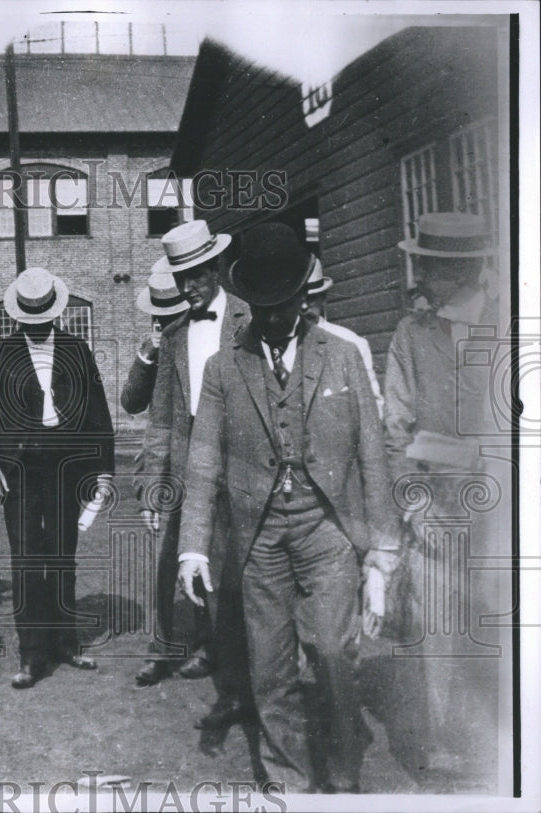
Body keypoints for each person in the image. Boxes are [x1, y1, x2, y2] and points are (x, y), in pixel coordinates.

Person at [177, 222, 401, 793]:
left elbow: (373, 458)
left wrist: (381, 557)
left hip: (326, 530)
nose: (274, 318)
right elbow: (203, 462)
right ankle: (289, 786)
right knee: (270, 671)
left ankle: (343, 777)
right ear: (248, 300)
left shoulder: (345, 357)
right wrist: (193, 548)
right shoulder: (223, 368)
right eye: (262, 306)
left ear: (304, 296)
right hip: (258, 540)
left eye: (285, 304)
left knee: (330, 652)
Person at [384, 211, 503, 770]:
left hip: (505, 514)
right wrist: (414, 501)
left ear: (459, 272)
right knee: (435, 630)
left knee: (496, 627)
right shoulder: (412, 333)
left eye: (427, 269)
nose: (419, 280)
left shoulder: (512, 325)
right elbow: (396, 428)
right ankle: (439, 748)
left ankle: (496, 749)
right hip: (435, 511)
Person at [0, 267, 114, 689]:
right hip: (21, 471)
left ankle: (65, 642)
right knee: (29, 560)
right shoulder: (1, 354)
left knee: (63, 557)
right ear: (19, 316)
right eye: (28, 321)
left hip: (67, 468)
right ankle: (32, 654)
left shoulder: (77, 350)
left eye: (42, 320)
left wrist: (103, 470)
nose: (36, 327)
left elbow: (98, 413)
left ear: (55, 313)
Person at [138, 220, 253, 733]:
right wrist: (153, 484)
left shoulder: (251, 319)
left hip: (246, 467)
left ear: (215, 268)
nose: (187, 287)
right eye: (180, 278)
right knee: (184, 567)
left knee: (239, 578)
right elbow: (160, 415)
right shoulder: (174, 333)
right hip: (190, 470)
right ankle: (211, 655)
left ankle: (236, 686)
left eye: (195, 275)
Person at [300, 255, 384, 417]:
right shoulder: (282, 346)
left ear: (323, 298)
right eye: (299, 299)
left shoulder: (351, 343)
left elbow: (372, 408)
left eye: (311, 299)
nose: (304, 306)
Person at [119, 270, 189, 415]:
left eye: (170, 317)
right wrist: (145, 358)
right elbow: (131, 404)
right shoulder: (153, 348)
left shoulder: (202, 340)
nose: (162, 322)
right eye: (159, 317)